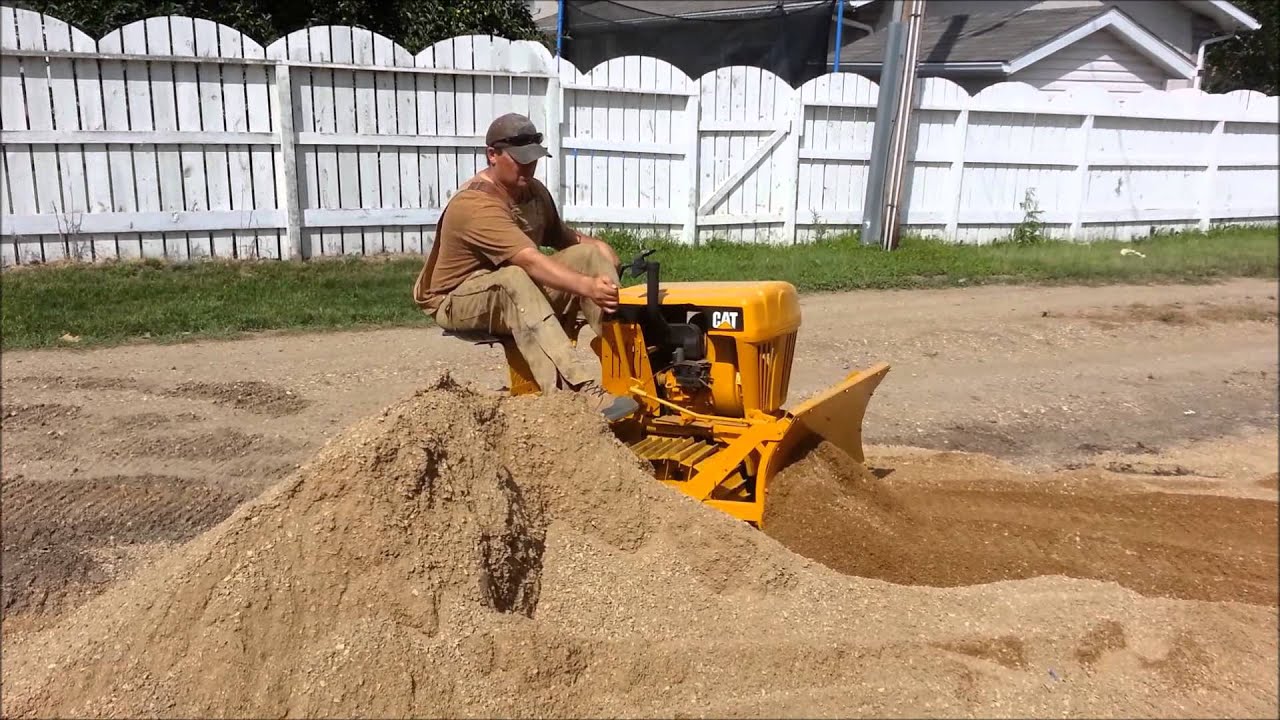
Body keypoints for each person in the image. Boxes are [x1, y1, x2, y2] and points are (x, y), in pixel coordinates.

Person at [412, 112, 640, 421]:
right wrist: (588, 287)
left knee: (588, 257)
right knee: (514, 277)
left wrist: (599, 249)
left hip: (509, 285)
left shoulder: (532, 192)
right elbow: (529, 260)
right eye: (520, 160)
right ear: (492, 155)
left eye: (533, 159)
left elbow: (565, 238)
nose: (529, 167)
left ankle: (636, 373)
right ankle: (575, 397)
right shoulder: (474, 204)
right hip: (457, 299)